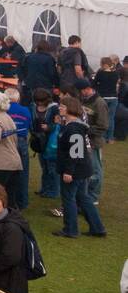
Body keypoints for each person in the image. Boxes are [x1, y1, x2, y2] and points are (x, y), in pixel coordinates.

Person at [52, 94, 107, 239]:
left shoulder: (73, 129)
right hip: (82, 169)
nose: (60, 108)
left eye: (62, 106)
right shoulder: (74, 126)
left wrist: (68, 171)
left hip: (75, 171)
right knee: (84, 198)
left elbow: (75, 153)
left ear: (70, 109)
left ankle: (70, 229)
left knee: (69, 199)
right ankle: (97, 228)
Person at [75, 77, 108, 205]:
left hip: (94, 142)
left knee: (95, 170)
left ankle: (93, 196)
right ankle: (84, 194)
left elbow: (103, 126)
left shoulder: (99, 103)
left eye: (80, 91)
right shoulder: (82, 100)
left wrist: (85, 129)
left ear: (86, 89)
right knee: (84, 169)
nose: (78, 93)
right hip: (82, 141)